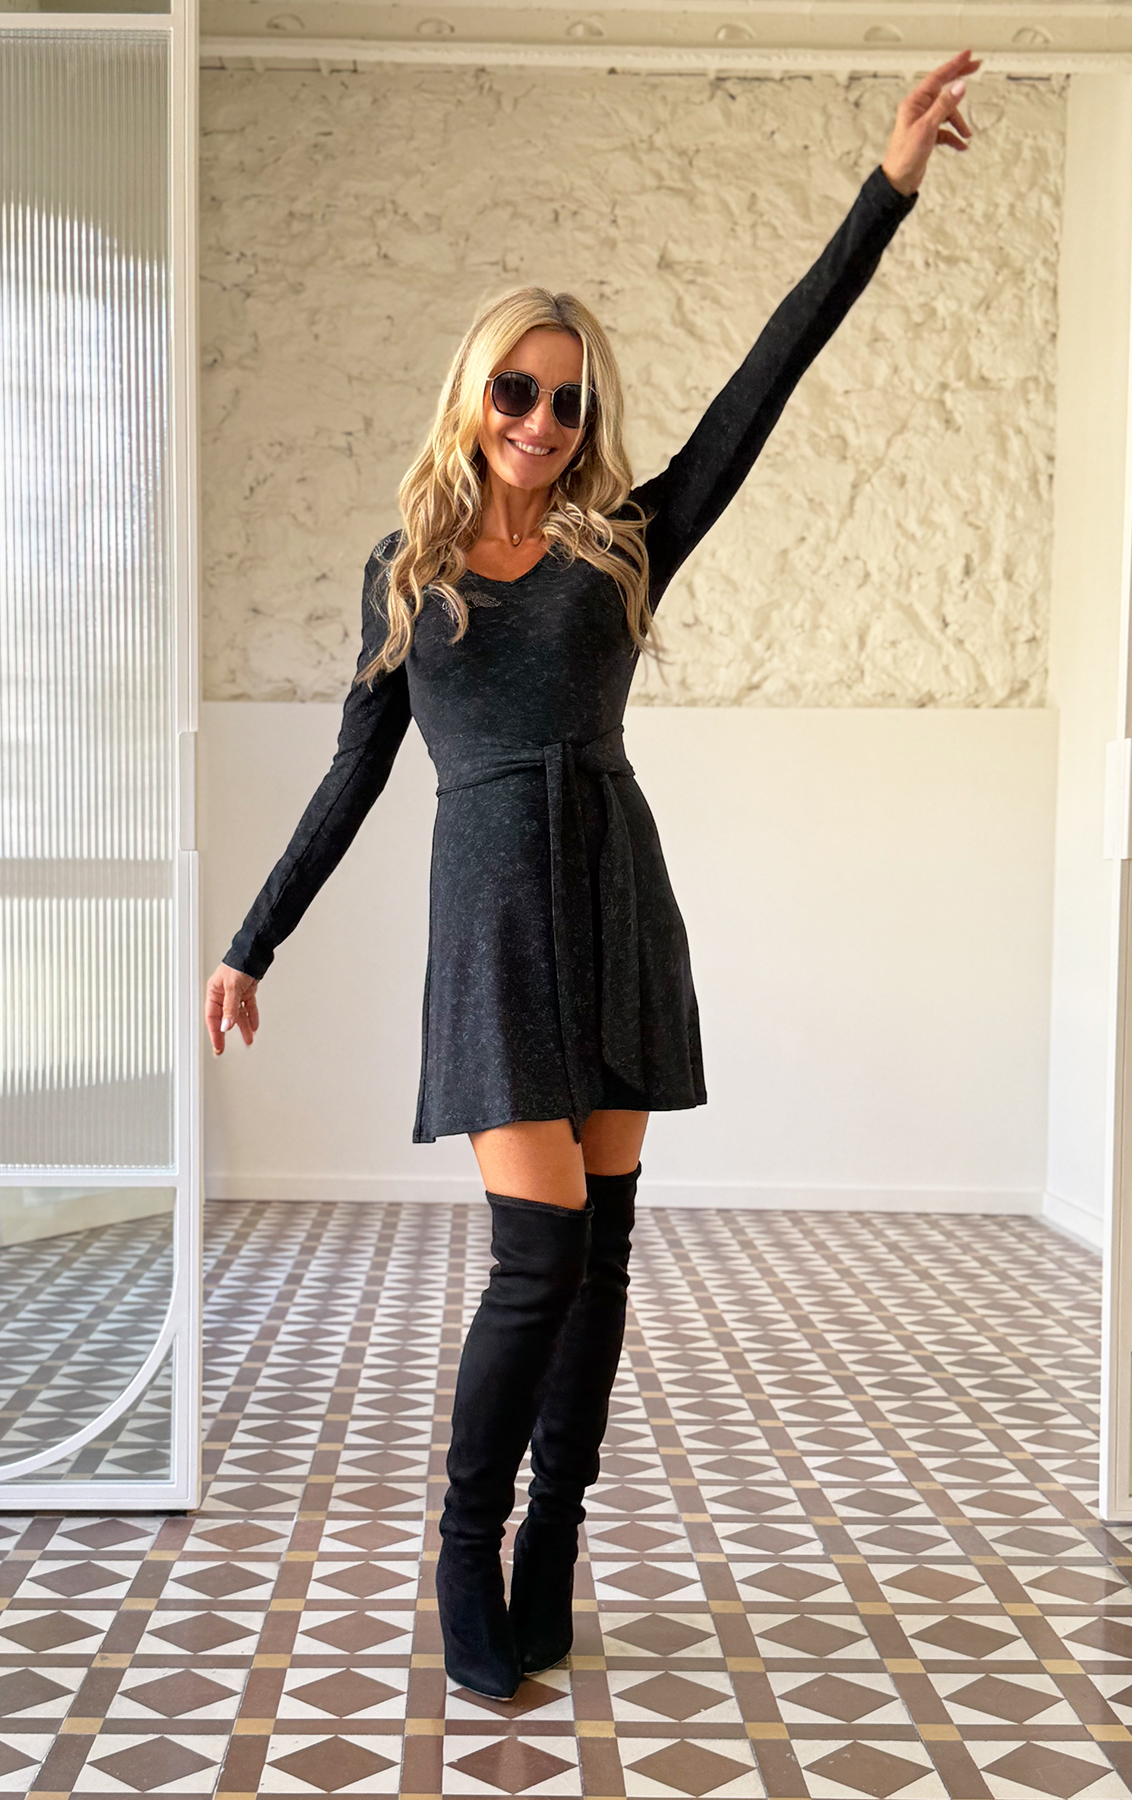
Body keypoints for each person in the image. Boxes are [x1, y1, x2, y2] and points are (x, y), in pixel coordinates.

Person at [206, 50, 978, 1700]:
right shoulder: (408, 576)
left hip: (616, 897)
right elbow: (353, 776)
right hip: (493, 921)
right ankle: (464, 1540)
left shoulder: (621, 543)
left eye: (567, 401)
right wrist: (250, 943)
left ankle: (555, 1534)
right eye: (518, 391)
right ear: (471, 396)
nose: (543, 423)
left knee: (605, 1253)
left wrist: (888, 190)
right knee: (535, 1259)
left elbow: (768, 380)